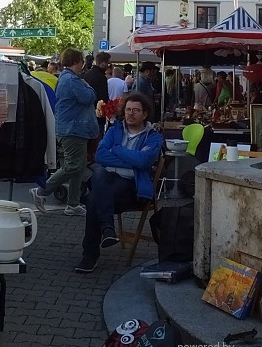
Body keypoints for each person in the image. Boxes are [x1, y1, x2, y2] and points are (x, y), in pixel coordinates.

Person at [74, 92, 163, 273]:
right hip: (108, 182)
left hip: (132, 188)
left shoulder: (153, 137)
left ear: (145, 114)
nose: (130, 113)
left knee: (93, 199)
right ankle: (107, 230)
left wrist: (117, 150)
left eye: (136, 110)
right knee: (100, 175)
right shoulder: (115, 130)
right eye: (128, 109)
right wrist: (132, 160)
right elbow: (100, 155)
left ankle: (90, 256)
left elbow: (143, 162)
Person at [30, 49, 97, 216]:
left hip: (73, 128)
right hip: (73, 128)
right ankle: (41, 191)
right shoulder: (71, 80)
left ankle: (73, 204)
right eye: (81, 61)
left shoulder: (67, 78)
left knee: (78, 168)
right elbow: (88, 97)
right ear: (76, 61)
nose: (83, 65)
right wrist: (89, 88)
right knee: (73, 166)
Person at [84, 51, 111, 130]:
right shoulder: (101, 77)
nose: (109, 66)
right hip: (98, 113)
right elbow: (103, 97)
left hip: (86, 112)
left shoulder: (87, 74)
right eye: (108, 63)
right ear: (103, 63)